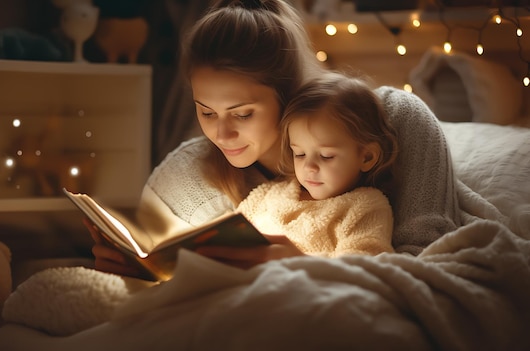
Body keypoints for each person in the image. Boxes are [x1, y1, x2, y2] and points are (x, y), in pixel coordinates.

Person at [87, 0, 460, 278]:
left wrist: (303, 267)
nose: (221, 134)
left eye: (243, 113)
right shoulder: (189, 173)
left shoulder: (395, 119)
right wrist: (134, 271)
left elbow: (431, 261)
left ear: (287, 95)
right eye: (206, 112)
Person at [236, 72, 398, 257]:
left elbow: (362, 265)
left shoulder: (365, 206)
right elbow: (231, 232)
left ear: (367, 157)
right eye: (300, 154)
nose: (309, 167)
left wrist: (296, 259)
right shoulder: (269, 195)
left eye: (326, 156)